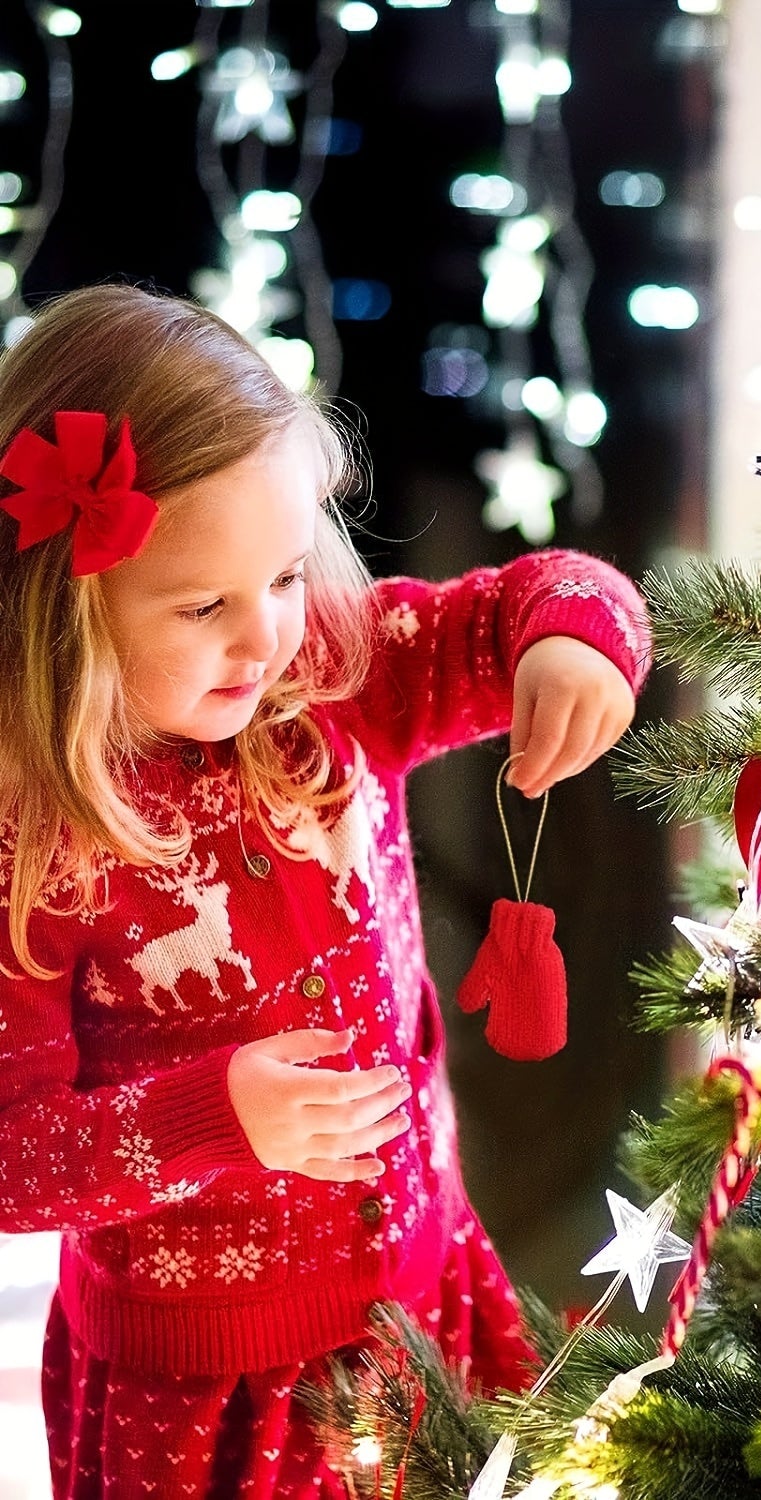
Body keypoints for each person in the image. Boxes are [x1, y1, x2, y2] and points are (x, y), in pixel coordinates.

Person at [0, 284, 653, 1497]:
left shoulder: (334, 680)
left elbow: (537, 593)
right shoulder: (29, 837)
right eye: (204, 607)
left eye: (290, 577)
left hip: (422, 1298)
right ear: (63, 611)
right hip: (201, 1398)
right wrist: (214, 1117)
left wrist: (570, 639)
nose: (266, 639)